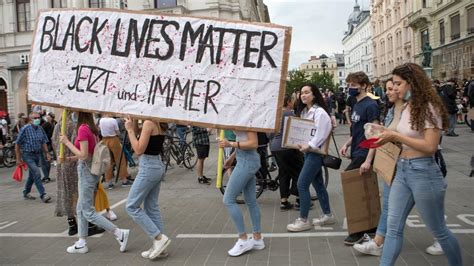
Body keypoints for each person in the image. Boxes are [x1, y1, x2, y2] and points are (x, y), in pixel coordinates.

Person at [376, 63, 462, 266]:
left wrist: (395, 135)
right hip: (403, 170)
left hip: (423, 171)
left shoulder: (429, 107)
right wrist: (384, 135)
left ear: (412, 83)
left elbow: (430, 146)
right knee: (393, 227)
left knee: (439, 231)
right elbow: (402, 136)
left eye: (398, 84)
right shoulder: (406, 106)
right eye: (393, 84)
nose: (394, 88)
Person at [60, 112, 130, 254]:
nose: (72, 115)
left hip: (86, 171)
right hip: (89, 171)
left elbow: (84, 155)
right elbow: (88, 154)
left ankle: (119, 233)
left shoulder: (83, 129)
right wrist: (69, 159)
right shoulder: (91, 128)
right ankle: (81, 242)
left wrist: (66, 142)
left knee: (87, 211)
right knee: (80, 209)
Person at [353, 78, 402, 256]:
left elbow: (428, 144)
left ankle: (442, 239)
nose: (388, 91)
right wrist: (376, 131)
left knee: (432, 216)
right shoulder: (391, 111)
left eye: (393, 87)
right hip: (394, 166)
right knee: (389, 206)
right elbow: (381, 137)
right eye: (387, 88)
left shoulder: (410, 111)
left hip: (413, 168)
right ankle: (379, 242)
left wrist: (368, 159)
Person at [286, 84, 334, 232]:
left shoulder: (319, 112)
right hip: (309, 152)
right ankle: (328, 215)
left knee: (302, 184)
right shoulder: (306, 112)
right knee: (318, 184)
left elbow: (322, 132)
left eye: (307, 92)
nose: (303, 95)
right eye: (301, 93)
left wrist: (310, 145)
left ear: (314, 94)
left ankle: (303, 220)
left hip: (315, 153)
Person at [340, 72, 380, 245]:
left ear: (364, 85)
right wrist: (348, 143)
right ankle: (371, 226)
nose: (350, 88)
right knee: (363, 190)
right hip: (356, 150)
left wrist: (368, 160)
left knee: (353, 190)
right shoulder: (356, 104)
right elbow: (357, 129)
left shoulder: (371, 105)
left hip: (364, 153)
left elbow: (375, 133)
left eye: (353, 84)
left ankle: (358, 231)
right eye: (349, 84)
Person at [125, 117, 170, 260]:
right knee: (151, 207)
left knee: (131, 206)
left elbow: (138, 149)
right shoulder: (157, 121)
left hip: (149, 167)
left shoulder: (149, 123)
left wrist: (130, 130)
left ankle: (158, 238)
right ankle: (160, 246)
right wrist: (134, 124)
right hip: (155, 165)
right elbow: (143, 142)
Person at [219, 131, 264, 257]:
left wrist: (230, 143)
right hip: (245, 160)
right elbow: (244, 140)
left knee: (228, 200)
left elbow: (253, 143)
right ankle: (257, 238)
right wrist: (232, 157)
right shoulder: (243, 116)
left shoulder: (247, 118)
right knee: (251, 201)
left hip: (247, 162)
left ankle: (243, 239)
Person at [270, 94, 303, 210]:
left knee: (283, 172)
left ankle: (284, 201)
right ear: (288, 102)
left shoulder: (275, 115)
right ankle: (299, 199)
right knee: (299, 170)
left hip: (275, 146)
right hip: (287, 147)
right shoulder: (290, 114)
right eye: (292, 101)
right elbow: (298, 130)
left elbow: (269, 133)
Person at [15, 112, 52, 203]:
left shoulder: (40, 128)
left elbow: (43, 141)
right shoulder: (25, 129)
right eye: (35, 118)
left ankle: (26, 192)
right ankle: (43, 194)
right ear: (30, 119)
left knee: (32, 175)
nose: (37, 119)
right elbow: (17, 143)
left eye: (38, 117)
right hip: (27, 155)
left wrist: (47, 153)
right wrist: (18, 158)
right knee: (37, 173)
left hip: (37, 154)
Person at [99, 114, 133, 189]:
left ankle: (109, 182)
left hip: (104, 140)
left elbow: (100, 129)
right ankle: (124, 180)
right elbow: (117, 132)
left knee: (108, 161)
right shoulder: (113, 120)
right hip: (114, 139)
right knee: (120, 160)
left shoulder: (101, 120)